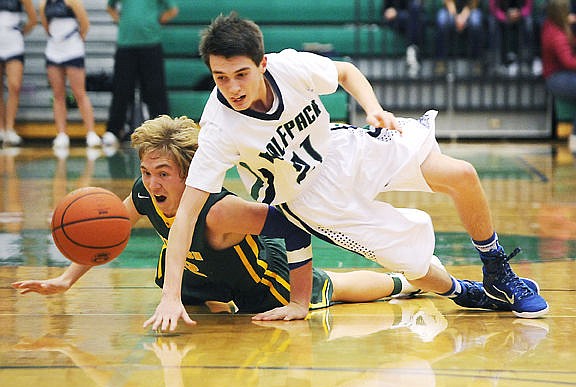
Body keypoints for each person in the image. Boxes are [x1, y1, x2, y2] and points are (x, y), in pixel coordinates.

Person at [146, 13, 548, 331]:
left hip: (342, 148)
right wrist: (171, 296)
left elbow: (346, 73)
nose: (232, 88)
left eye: (241, 75)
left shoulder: (290, 67)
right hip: (312, 200)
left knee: (461, 174)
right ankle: (464, 292)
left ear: (262, 64)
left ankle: (498, 270)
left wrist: (373, 108)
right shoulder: (218, 128)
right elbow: (186, 216)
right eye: (221, 78)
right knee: (414, 266)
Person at [11, 115, 423, 322]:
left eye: (164, 174)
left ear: (189, 174)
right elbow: (103, 236)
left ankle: (406, 281)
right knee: (183, 279)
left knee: (334, 287)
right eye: (146, 172)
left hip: (262, 279)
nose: (152, 183)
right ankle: (204, 301)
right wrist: (65, 279)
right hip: (198, 272)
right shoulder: (143, 194)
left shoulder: (222, 210)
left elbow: (295, 227)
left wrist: (299, 300)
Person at [102, 0, 179, 148]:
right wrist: (123, 22)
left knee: (155, 90)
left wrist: (153, 22)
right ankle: (113, 130)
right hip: (125, 45)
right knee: (121, 89)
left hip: (151, 44)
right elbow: (110, 7)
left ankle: (164, 131)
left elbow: (172, 10)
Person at [39, 0, 100, 148]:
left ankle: (91, 133)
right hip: (53, 50)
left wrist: (76, 41)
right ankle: (61, 134)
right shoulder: (43, 4)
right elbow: (46, 26)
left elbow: (85, 24)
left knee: (79, 92)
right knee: (58, 94)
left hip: (73, 49)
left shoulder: (73, 2)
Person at [0, 0, 36, 146]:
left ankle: (10, 128)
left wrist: (19, 33)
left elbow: (33, 19)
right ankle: (1, 129)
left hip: (13, 44)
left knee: (14, 86)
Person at [541, 0, 576, 148]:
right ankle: (575, 137)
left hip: (562, 76)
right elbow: (568, 61)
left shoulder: (551, 25)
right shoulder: (556, 33)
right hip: (556, 78)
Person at [435, 0, 485, 75]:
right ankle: (440, 62)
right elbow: (448, 2)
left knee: (475, 23)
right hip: (450, 10)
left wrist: (463, 16)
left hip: (471, 9)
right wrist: (456, 17)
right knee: (442, 21)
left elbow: (474, 2)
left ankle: (477, 62)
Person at [488, 0, 535, 76]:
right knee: (493, 24)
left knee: (529, 24)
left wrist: (519, 14)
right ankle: (499, 62)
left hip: (520, 15)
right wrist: (505, 17)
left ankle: (528, 61)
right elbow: (493, 8)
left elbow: (528, 7)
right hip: (501, 15)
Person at [381, 0, 425, 77]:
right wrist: (394, 12)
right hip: (398, 18)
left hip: (412, 17)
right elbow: (387, 11)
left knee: (414, 15)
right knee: (414, 20)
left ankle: (411, 52)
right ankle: (413, 51)